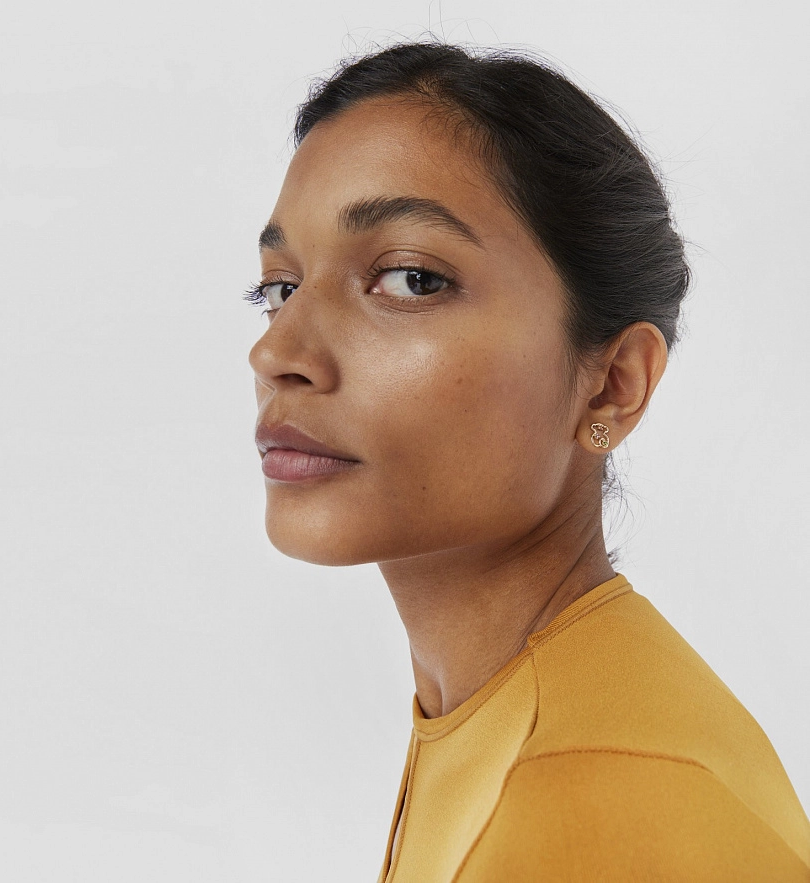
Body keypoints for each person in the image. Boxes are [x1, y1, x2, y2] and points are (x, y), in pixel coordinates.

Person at [244, 41, 810, 881]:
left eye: (410, 279)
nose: (276, 353)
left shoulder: (583, 793)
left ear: (610, 387)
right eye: (280, 288)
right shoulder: (515, 714)